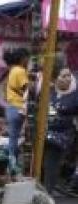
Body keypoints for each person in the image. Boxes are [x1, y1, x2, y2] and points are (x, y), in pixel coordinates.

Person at [43, 65, 78, 193]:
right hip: (43, 131)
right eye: (63, 76)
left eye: (69, 75)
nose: (68, 79)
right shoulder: (48, 91)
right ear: (55, 78)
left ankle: (47, 190)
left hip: (62, 134)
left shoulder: (75, 95)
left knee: (52, 153)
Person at [3, 48, 30, 164]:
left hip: (11, 107)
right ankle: (11, 163)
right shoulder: (20, 71)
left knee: (13, 137)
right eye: (27, 58)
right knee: (14, 138)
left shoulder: (13, 70)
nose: (28, 61)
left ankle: (12, 161)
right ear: (23, 59)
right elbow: (27, 88)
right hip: (18, 107)